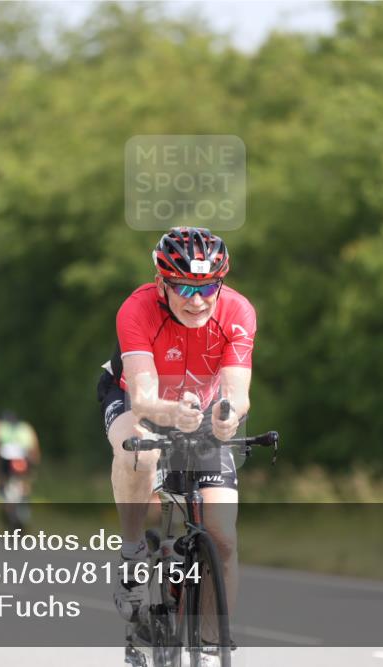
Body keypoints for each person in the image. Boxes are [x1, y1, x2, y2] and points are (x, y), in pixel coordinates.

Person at [97, 227, 254, 666]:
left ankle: (206, 648)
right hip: (135, 397)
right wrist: (170, 413)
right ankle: (132, 551)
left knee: (222, 538)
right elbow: (144, 399)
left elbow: (239, 393)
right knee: (138, 450)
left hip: (201, 409)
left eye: (208, 287)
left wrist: (227, 416)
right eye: (184, 286)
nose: (197, 299)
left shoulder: (239, 311)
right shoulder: (137, 308)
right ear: (162, 282)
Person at [0, 410, 40, 495]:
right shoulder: (26, 427)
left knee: (1, 477)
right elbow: (34, 447)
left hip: (5, 459)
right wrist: (34, 465)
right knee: (26, 480)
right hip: (24, 458)